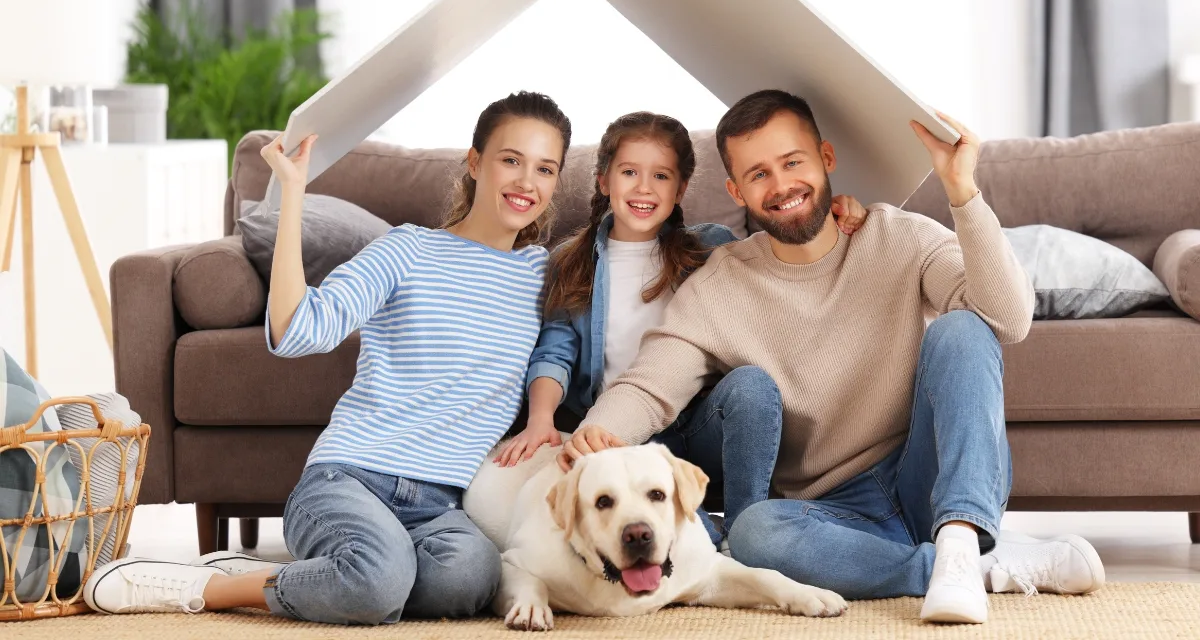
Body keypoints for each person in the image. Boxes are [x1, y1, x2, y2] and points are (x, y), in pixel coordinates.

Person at [558, 90, 1104, 624]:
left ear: (826, 159)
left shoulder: (900, 236)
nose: (780, 186)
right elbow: (653, 383)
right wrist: (593, 437)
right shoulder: (718, 285)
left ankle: (961, 538)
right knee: (753, 534)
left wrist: (962, 191)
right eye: (758, 174)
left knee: (963, 329)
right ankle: (969, 567)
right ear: (737, 190)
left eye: (792, 162)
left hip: (923, 473)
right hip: (829, 513)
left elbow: (1008, 318)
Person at [85, 92, 574, 625]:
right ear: (476, 162)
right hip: (349, 478)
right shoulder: (407, 249)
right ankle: (210, 585)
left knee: (471, 579)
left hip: (441, 504)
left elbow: (559, 349)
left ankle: (353, 574)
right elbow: (298, 330)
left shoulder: (542, 274)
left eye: (544, 168)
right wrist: (292, 195)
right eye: (511, 160)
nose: (527, 181)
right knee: (378, 582)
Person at [494, 111, 866, 547]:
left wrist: (836, 209)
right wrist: (540, 420)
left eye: (662, 176)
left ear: (681, 188)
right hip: (624, 434)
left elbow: (785, 241)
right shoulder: (570, 261)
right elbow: (553, 354)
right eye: (629, 172)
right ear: (603, 180)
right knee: (690, 542)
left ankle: (750, 528)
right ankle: (711, 538)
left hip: (700, 424)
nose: (644, 188)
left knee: (751, 385)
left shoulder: (710, 248)